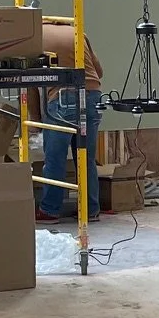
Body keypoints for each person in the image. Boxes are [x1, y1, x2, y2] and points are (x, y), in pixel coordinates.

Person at [36, 27, 102, 221]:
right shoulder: (78, 32)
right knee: (85, 157)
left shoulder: (33, 39)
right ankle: (90, 210)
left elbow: (31, 85)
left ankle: (49, 209)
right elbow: (99, 72)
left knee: (55, 157)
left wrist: (36, 121)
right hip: (93, 95)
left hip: (64, 97)